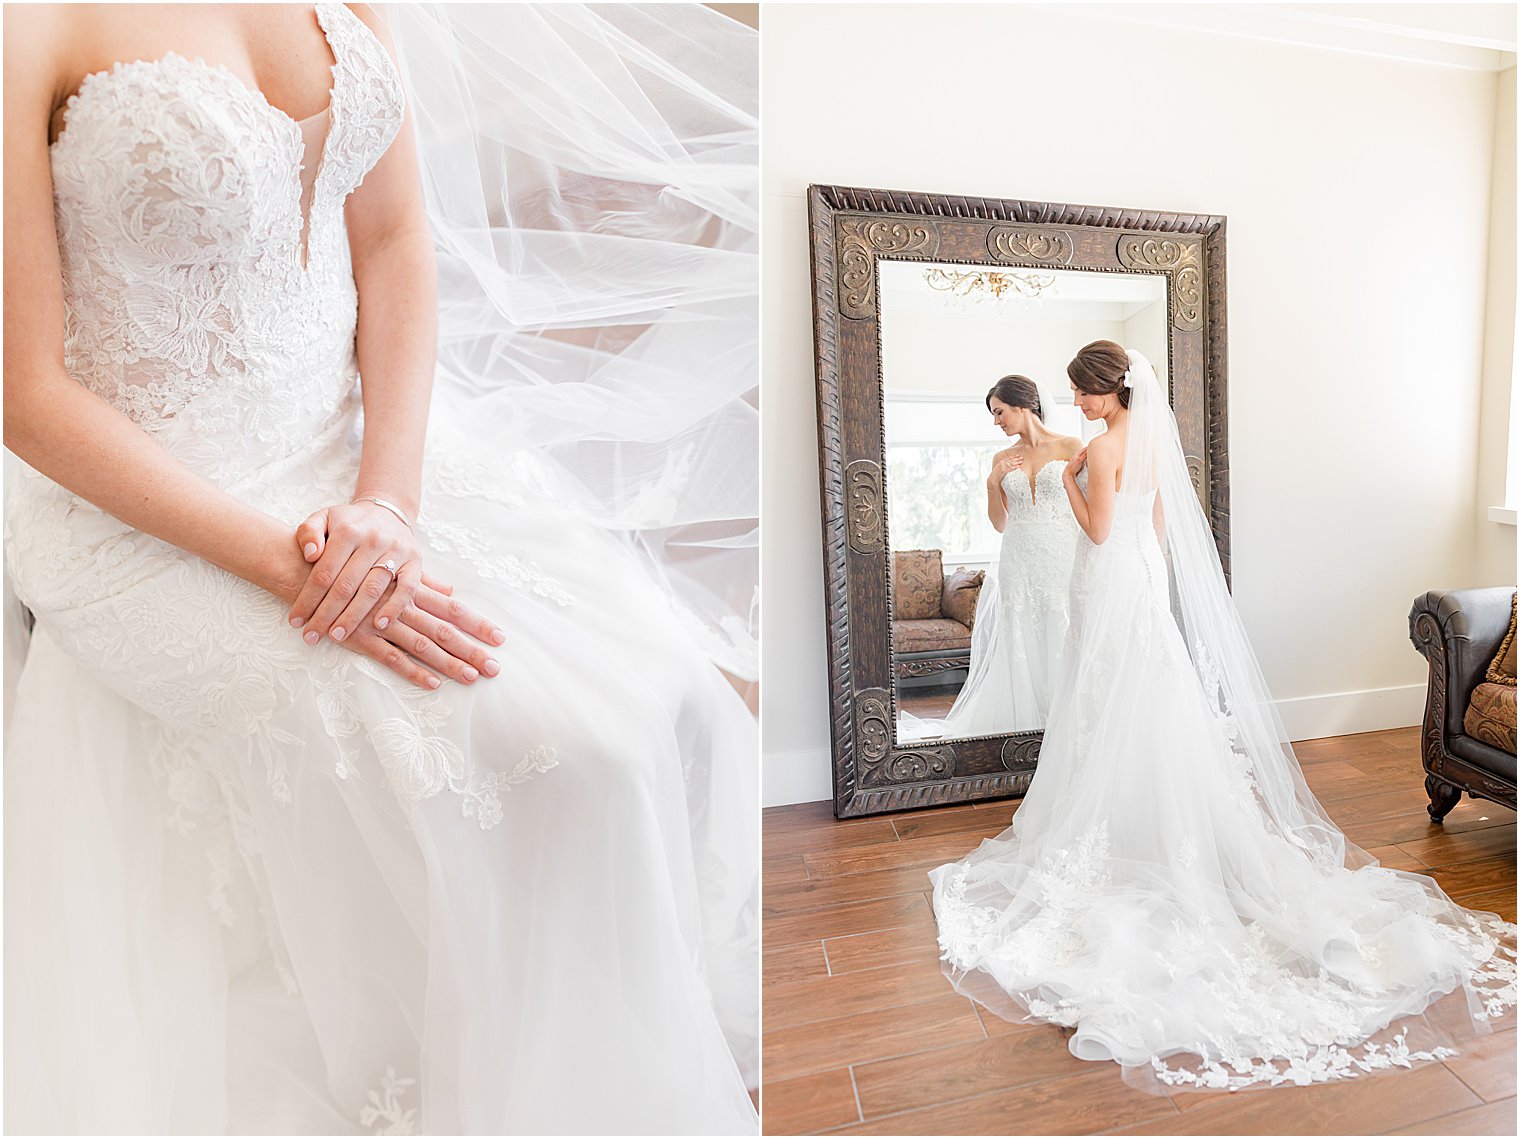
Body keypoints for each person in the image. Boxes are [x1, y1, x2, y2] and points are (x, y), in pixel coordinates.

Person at [3, 3, 759, 1132]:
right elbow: (26, 396)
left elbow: (393, 238)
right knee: (490, 758)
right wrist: (285, 563)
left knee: (659, 696)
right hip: (155, 507)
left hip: (362, 452)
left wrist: (387, 502)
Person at [929, 340, 1515, 1092]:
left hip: (1107, 577)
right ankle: (1156, 813)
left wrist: (1065, 480)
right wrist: (1127, 549)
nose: (1074, 402)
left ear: (1108, 392)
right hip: (1140, 579)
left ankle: (1120, 823)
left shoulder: (1103, 449)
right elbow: (1157, 529)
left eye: (1081, 392)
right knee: (1149, 696)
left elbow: (1098, 530)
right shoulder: (1151, 440)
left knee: (1106, 701)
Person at [940, 375, 1081, 737]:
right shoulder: (1003, 458)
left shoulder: (1071, 446)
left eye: (1000, 412)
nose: (996, 421)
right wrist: (992, 483)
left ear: (1023, 406)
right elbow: (1000, 523)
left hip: (1062, 552)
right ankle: (1025, 726)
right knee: (1021, 628)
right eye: (993, 414)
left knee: (1062, 625)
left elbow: (1086, 507)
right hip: (1018, 553)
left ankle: (1065, 719)